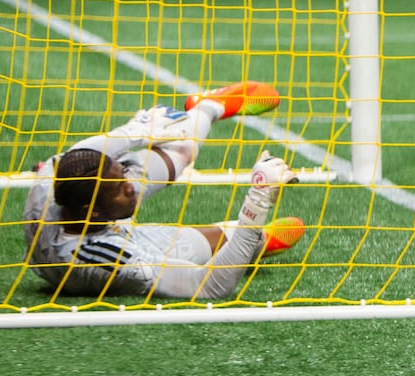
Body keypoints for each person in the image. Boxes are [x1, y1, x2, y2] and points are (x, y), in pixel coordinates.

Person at [23, 81, 305, 300]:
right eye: (122, 188)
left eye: (124, 178)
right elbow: (208, 286)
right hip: (116, 242)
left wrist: (134, 132)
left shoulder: (53, 183)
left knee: (180, 147)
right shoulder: (110, 258)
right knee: (240, 241)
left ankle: (208, 106)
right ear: (93, 210)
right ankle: (253, 240)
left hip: (101, 220)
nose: (131, 187)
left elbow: (80, 154)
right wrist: (256, 203)